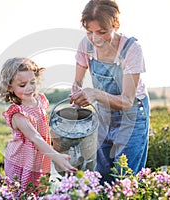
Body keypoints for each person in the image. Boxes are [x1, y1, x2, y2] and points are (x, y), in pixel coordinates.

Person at [70, 0, 150, 183]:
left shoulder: (131, 49)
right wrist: (76, 92)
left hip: (132, 115)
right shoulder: (86, 45)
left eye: (102, 32)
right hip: (104, 114)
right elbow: (77, 81)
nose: (95, 38)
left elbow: (127, 100)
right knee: (103, 176)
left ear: (115, 25)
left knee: (125, 178)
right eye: (90, 32)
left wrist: (95, 94)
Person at [0, 57, 77, 192]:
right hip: (21, 160)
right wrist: (56, 156)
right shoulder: (17, 113)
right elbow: (35, 137)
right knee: (21, 192)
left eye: (32, 82)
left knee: (39, 189)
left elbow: (44, 121)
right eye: (22, 85)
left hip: (40, 155)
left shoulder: (40, 100)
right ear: (10, 87)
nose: (29, 88)